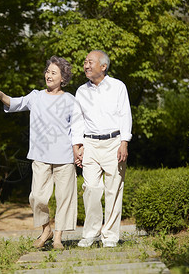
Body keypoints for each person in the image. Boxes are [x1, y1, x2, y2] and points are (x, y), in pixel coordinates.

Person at [0, 56, 77, 250]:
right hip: (40, 155)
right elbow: (15, 103)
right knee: (36, 196)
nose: (48, 75)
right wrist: (1, 95)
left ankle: (58, 238)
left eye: (54, 72)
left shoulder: (70, 100)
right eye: (47, 71)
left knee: (64, 198)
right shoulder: (36, 96)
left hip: (64, 156)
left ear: (63, 78)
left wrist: (78, 149)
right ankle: (46, 229)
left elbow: (78, 127)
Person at [71, 50, 132, 248]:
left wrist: (124, 142)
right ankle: (90, 233)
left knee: (114, 190)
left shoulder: (118, 87)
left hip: (114, 143)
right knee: (91, 188)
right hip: (90, 144)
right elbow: (77, 120)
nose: (86, 65)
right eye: (85, 62)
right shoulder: (81, 91)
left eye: (90, 62)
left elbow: (125, 115)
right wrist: (76, 145)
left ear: (103, 66)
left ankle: (110, 236)